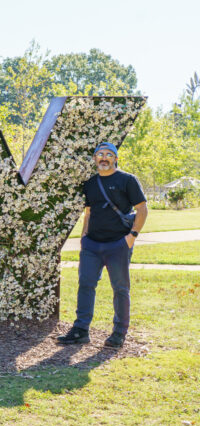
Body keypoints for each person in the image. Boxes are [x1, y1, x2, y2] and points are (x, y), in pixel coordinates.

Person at [58, 142, 147, 348]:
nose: (104, 158)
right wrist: (84, 237)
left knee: (120, 289)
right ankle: (81, 330)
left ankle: (118, 333)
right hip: (92, 245)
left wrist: (131, 236)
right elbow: (88, 213)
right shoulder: (90, 183)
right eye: (100, 154)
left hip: (118, 244)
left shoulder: (127, 180)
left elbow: (142, 209)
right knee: (86, 285)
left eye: (109, 154)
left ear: (115, 158)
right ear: (95, 159)